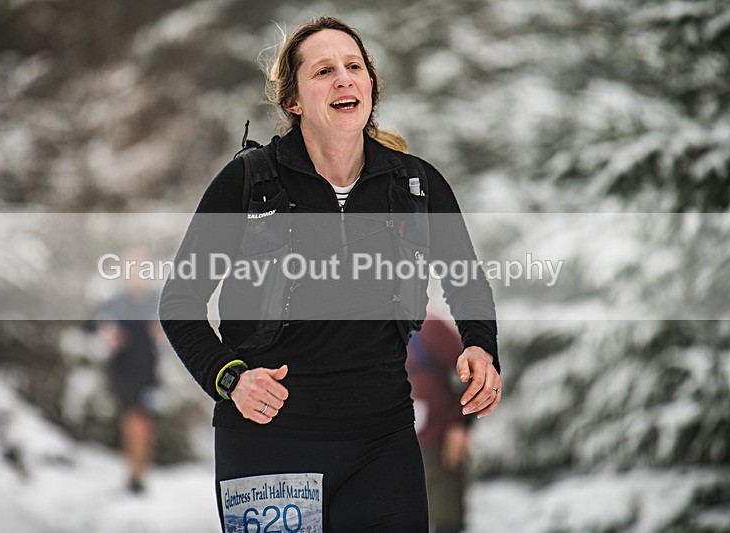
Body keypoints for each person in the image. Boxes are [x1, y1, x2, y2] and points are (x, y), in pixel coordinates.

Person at [159, 16, 502, 532]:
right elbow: (180, 303)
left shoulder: (415, 185)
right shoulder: (248, 183)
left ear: (369, 87)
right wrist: (230, 379)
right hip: (267, 442)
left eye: (353, 66)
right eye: (323, 71)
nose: (343, 78)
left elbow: (467, 283)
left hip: (382, 444)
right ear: (293, 101)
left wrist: (480, 345)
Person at [97, 250, 160, 495]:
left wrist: (162, 331)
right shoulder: (115, 301)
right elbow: (90, 326)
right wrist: (107, 334)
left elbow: (172, 327)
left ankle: (139, 471)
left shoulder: (156, 300)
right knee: (131, 421)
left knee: (144, 423)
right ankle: (134, 473)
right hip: (121, 370)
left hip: (148, 370)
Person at [407, 312, 476, 533]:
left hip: (437, 446)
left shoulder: (427, 327)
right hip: (391, 449)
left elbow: (472, 373)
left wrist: (461, 426)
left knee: (447, 518)